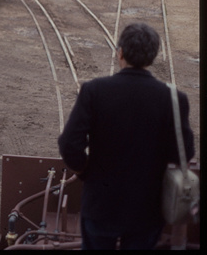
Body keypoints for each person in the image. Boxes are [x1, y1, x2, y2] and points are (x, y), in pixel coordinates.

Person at [58, 22, 195, 250]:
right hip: (147, 210)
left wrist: (86, 173)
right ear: (153, 57)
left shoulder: (94, 90)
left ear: (120, 53)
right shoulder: (174, 98)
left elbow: (69, 144)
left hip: (100, 206)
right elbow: (184, 153)